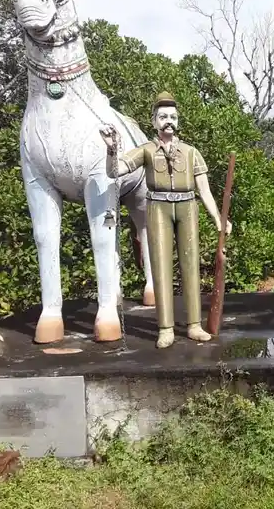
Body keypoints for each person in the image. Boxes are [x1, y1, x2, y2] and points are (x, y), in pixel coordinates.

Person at [99, 91, 232, 349]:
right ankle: (165, 328)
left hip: (187, 206)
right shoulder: (146, 150)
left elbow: (204, 191)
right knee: (160, 266)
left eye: (172, 116)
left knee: (191, 264)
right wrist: (111, 150)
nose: (168, 121)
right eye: (163, 117)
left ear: (178, 121)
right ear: (154, 121)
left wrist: (218, 219)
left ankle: (194, 325)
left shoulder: (191, 152)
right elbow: (114, 172)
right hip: (158, 206)